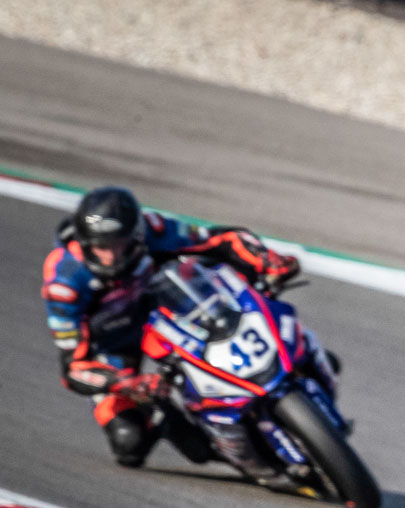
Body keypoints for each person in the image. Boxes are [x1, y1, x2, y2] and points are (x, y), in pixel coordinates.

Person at [41, 185, 305, 468]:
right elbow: (73, 369)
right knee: (130, 444)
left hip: (168, 311)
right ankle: (172, 417)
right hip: (114, 342)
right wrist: (125, 384)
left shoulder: (153, 228)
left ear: (136, 235)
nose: (110, 257)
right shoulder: (63, 282)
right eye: (101, 247)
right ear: (84, 243)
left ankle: (297, 359)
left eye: (118, 245)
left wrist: (265, 258)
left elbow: (222, 239)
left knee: (239, 317)